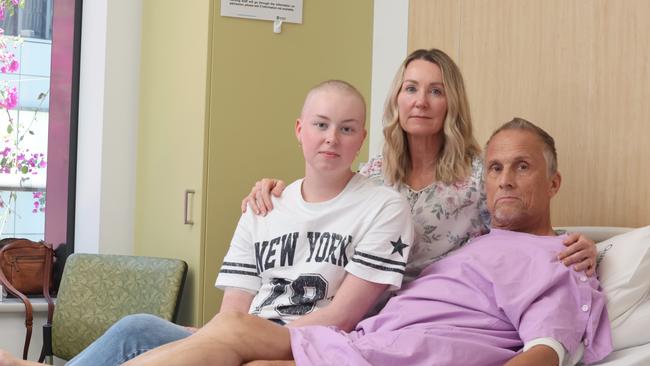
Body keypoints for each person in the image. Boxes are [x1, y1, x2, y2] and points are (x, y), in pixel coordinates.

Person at [107, 118, 612, 366]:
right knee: (219, 339)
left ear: (553, 183)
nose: (503, 180)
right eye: (496, 167)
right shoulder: (467, 234)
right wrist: (273, 192)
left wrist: (587, 248)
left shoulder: (564, 262)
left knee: (235, 333)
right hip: (362, 342)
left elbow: (547, 351)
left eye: (522, 168)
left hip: (390, 354)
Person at [0, 80, 414, 366]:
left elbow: (340, 319)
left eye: (346, 129)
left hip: (309, 342)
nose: (331, 138)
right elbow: (231, 312)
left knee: (219, 332)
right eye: (321, 125)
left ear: (362, 139)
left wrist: (242, 339)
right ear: (300, 130)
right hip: (241, 330)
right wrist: (220, 341)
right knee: (138, 327)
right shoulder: (265, 204)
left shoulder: (383, 208)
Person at [243, 49, 598, 283]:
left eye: (436, 91)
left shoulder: (479, 176)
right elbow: (320, 208)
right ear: (397, 98)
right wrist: (275, 191)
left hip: (445, 306)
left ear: (451, 103)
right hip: (365, 305)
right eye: (411, 88)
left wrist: (581, 245)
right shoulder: (372, 175)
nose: (421, 102)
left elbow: (522, 224)